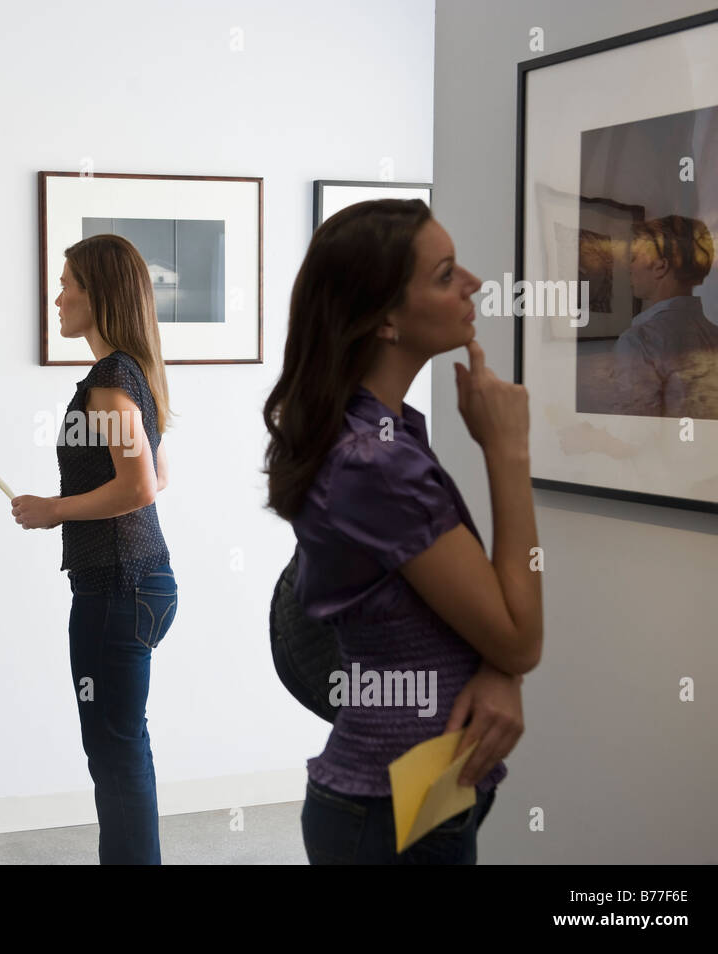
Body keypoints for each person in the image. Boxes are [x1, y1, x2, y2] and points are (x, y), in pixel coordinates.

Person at [263, 198, 542, 864]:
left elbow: (478, 621)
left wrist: (500, 668)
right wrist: (508, 452)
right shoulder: (374, 460)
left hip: (417, 788)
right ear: (385, 319)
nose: (473, 283)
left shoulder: (383, 430)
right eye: (446, 275)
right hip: (390, 806)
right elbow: (520, 635)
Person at [11, 233, 176, 864]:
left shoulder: (110, 379)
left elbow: (139, 487)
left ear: (98, 295)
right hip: (142, 583)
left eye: (68, 284)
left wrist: (54, 510)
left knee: (113, 752)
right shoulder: (132, 370)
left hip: (116, 587)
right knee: (123, 745)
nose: (58, 298)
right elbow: (158, 476)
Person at [612, 214, 718, 420]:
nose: (629, 267)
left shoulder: (639, 341)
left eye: (634, 257)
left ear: (660, 266)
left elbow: (634, 437)